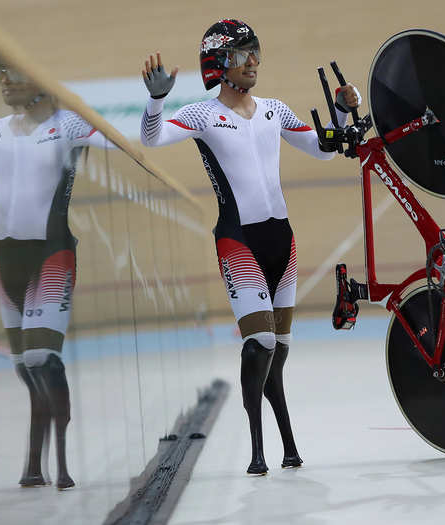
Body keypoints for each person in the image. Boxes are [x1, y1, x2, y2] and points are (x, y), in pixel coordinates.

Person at [139, 19, 360, 475]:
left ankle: (287, 447)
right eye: (244, 55)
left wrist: (339, 115)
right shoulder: (203, 115)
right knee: (257, 344)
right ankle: (257, 448)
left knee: (278, 350)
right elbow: (151, 137)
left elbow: (322, 149)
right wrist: (156, 100)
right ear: (220, 64)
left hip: (282, 239)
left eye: (256, 51)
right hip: (238, 241)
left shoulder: (274, 109)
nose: (254, 61)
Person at [0, 56, 113, 489]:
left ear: (39, 79)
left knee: (42, 359)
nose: (3, 82)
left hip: (52, 254)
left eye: (13, 73)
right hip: (7, 260)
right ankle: (35, 465)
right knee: (25, 368)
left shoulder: (67, 125)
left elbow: (116, 141)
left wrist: (147, 106)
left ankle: (64, 461)